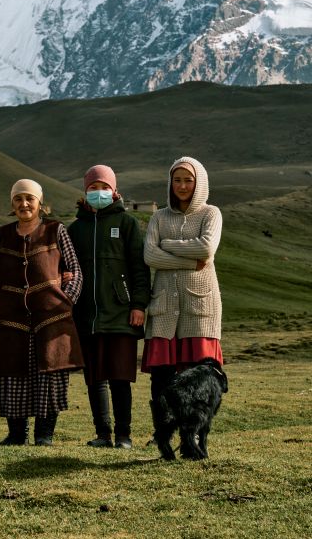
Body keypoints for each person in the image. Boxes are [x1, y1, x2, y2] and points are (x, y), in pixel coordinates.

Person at [0, 179, 84, 447]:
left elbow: (74, 269)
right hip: (10, 317)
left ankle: (44, 435)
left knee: (49, 372)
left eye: (29, 198)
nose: (24, 204)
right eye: (18, 199)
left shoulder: (56, 230)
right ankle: (16, 435)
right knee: (9, 373)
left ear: (41, 203)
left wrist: (66, 301)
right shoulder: (3, 234)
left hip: (50, 317)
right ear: (12, 204)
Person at [68, 165, 151, 450]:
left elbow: (139, 268)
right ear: (85, 191)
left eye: (104, 187)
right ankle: (103, 434)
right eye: (93, 188)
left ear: (114, 191)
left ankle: (124, 436)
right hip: (86, 315)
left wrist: (138, 304)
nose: (98, 192)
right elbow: (67, 267)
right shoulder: (75, 228)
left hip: (121, 311)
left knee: (119, 376)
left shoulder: (126, 223)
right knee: (95, 378)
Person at [142, 156, 223, 416]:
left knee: (198, 376)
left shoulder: (211, 213)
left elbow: (207, 247)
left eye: (189, 180)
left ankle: (195, 431)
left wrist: (168, 245)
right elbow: (149, 256)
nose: (182, 186)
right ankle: (162, 430)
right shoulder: (159, 217)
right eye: (177, 180)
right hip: (165, 308)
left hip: (199, 308)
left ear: (199, 183)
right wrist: (191, 262)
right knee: (161, 376)